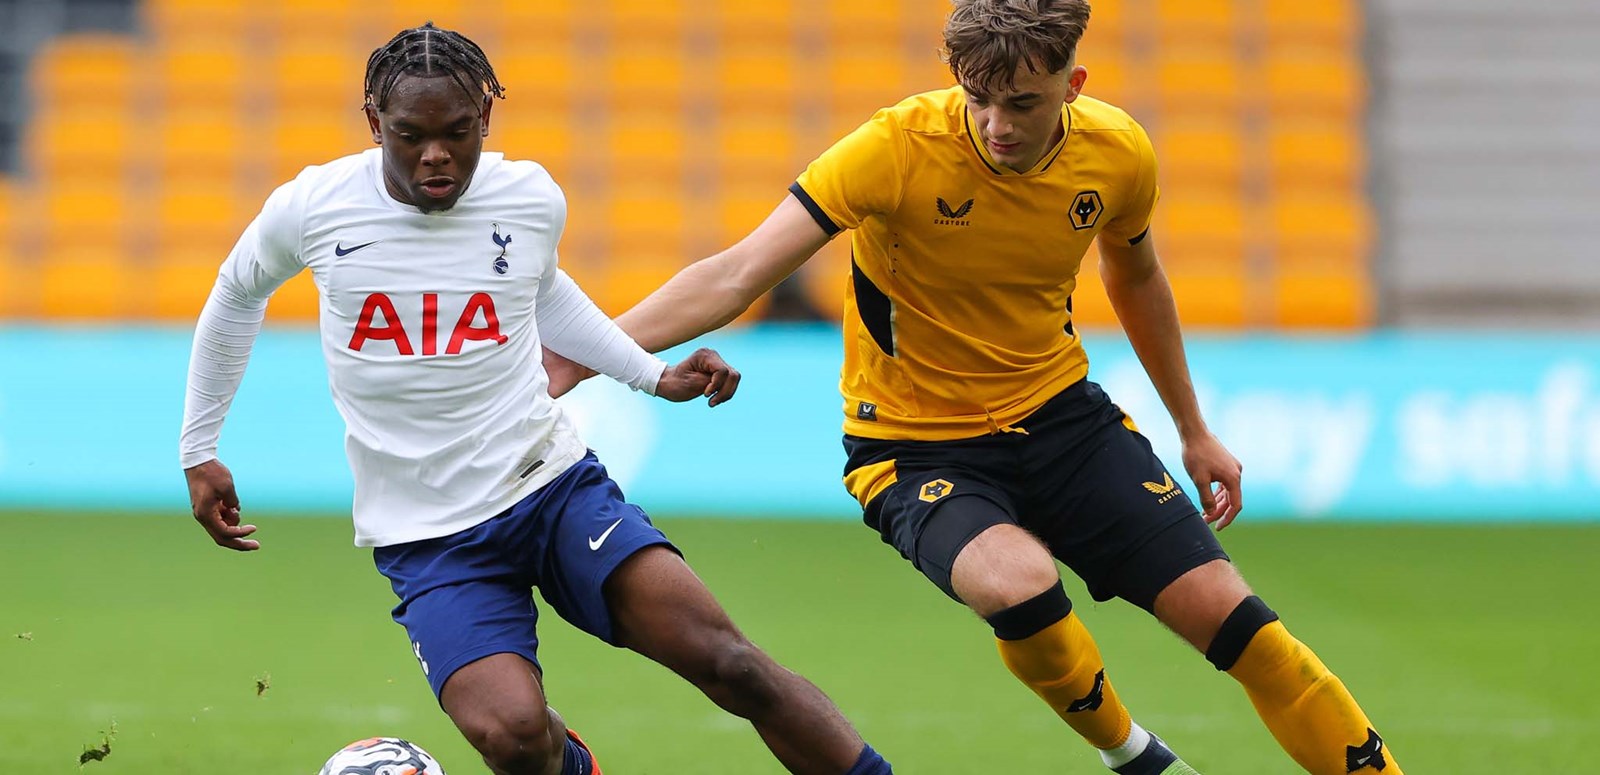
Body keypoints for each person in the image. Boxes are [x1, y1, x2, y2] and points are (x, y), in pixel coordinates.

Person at [546, 2, 1402, 773]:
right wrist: (584, 357)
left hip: (1064, 420)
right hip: (911, 446)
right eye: (977, 99)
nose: (994, 124)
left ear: (1075, 84)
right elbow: (734, 273)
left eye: (1022, 104)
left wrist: (1195, 428)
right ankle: (1134, 755)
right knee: (1015, 582)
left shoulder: (1118, 153)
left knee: (1245, 628)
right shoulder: (894, 148)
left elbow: (1137, 279)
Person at [179, 23, 894, 775]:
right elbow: (234, 297)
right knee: (514, 734)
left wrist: (651, 374)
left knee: (729, 663)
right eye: (410, 135)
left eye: (457, 133)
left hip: (550, 485)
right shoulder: (313, 207)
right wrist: (199, 448)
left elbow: (546, 295)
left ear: (485, 118)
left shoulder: (526, 197)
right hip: (429, 534)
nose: (436, 155)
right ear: (373, 123)